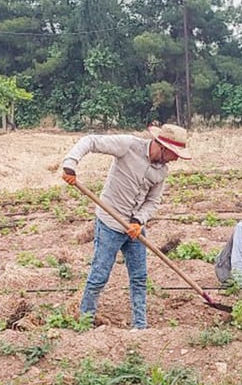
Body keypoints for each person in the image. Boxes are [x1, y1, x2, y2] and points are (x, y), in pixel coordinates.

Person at [61, 125, 191, 329]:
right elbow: (90, 141)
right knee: (99, 275)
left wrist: (139, 221)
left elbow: (152, 201)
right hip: (110, 222)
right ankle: (85, 321)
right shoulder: (129, 145)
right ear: (162, 146)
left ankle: (140, 326)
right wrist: (70, 164)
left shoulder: (162, 171)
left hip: (134, 229)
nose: (174, 159)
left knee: (139, 278)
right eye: (174, 154)